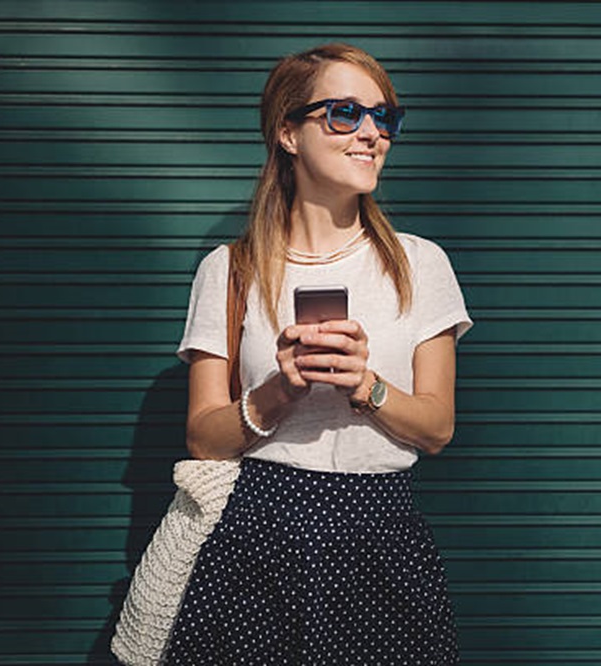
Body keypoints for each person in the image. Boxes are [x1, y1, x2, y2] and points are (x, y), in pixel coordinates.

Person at [163, 43, 471, 664]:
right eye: (344, 114)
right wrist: (281, 390)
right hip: (255, 536)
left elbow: (438, 428)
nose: (371, 134)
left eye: (384, 117)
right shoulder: (230, 270)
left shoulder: (420, 264)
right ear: (287, 132)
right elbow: (203, 437)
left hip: (380, 537)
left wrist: (368, 387)